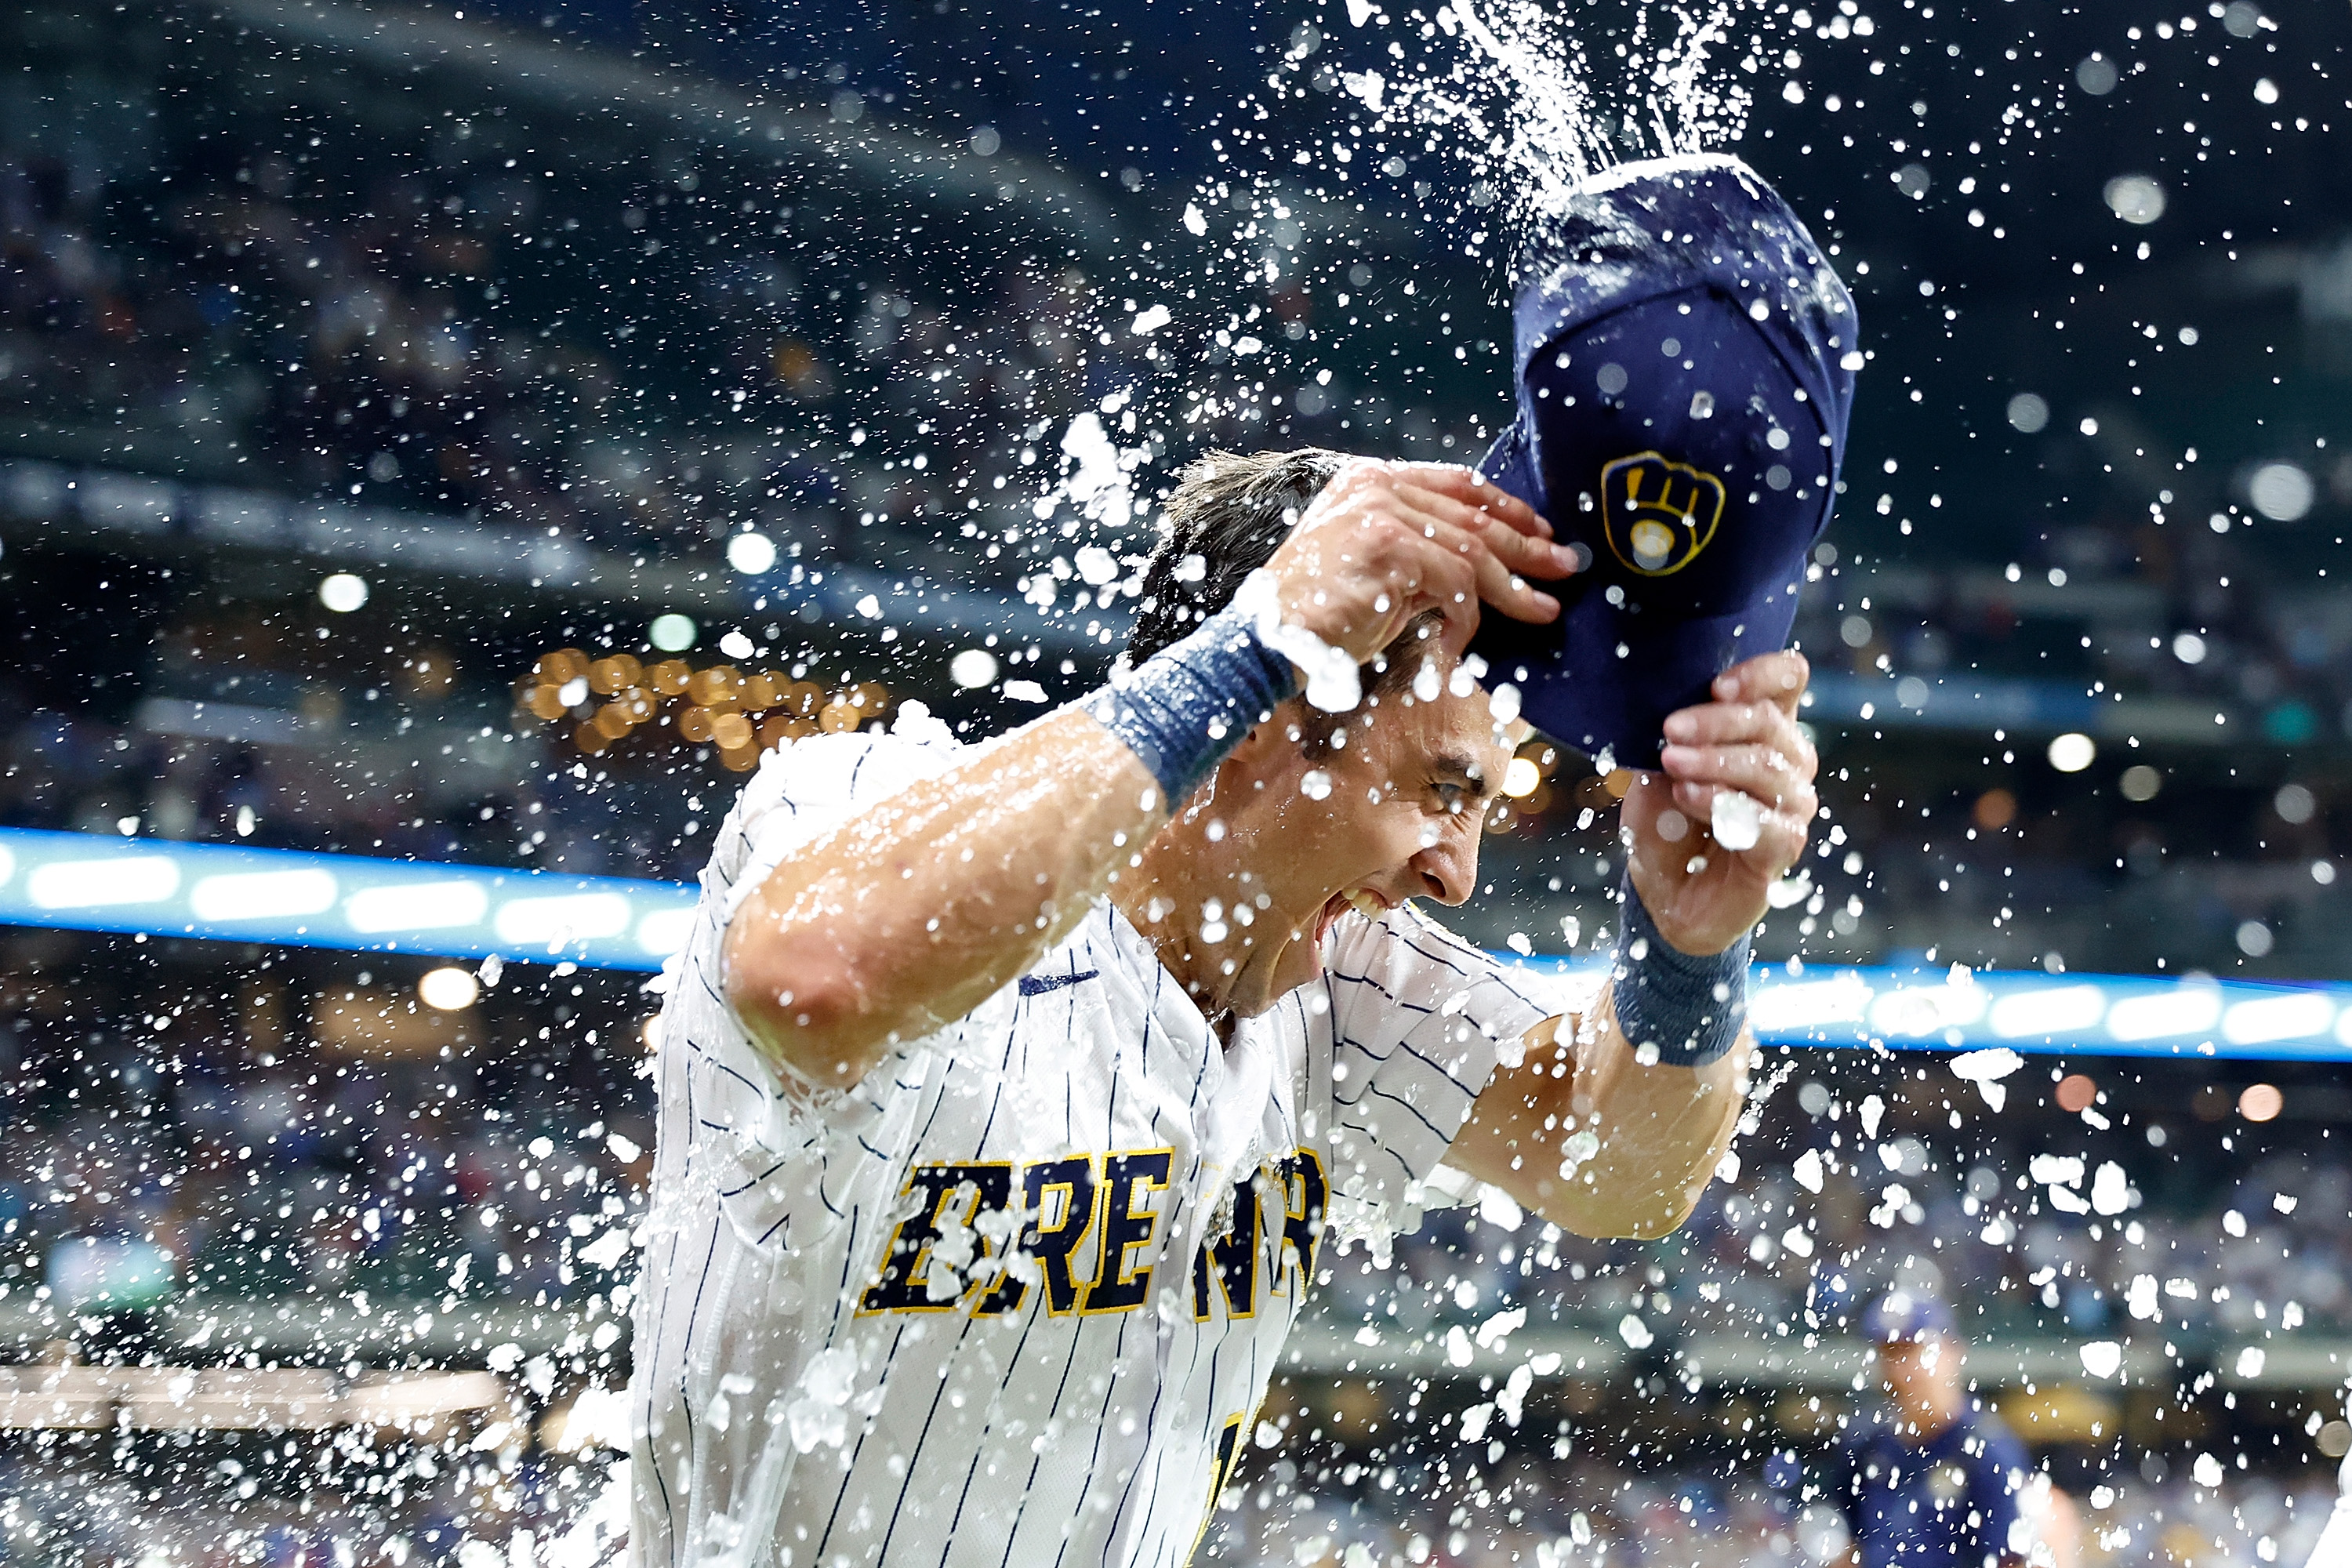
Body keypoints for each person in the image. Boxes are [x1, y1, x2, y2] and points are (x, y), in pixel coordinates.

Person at [628, 155, 1847, 1568]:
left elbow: (1629, 1174)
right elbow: (818, 977)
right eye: (1441, 791)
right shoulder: (871, 797)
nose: (1457, 870)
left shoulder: (1338, 985)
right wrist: (1263, 635)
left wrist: (1690, 949)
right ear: (1265, 716)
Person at [1821, 1291, 2037, 1568]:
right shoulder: (1866, 1445)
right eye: (1889, 1353)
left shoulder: (1986, 1448)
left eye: (1912, 1351)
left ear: (1951, 1352)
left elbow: (2011, 1559)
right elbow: (1851, 1549)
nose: (1900, 1369)